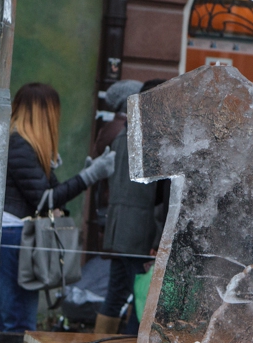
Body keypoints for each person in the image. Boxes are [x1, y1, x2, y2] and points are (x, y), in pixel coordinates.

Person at [0, 83, 116, 333]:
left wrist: (83, 174)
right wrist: (89, 176)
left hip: (16, 235)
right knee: (17, 321)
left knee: (9, 318)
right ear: (45, 113)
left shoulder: (24, 146)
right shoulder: (20, 145)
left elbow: (52, 197)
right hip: (15, 236)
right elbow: (45, 200)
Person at [95, 79, 169, 335]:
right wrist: (159, 239)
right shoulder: (153, 141)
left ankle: (100, 339)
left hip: (119, 231)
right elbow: (158, 199)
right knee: (143, 301)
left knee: (115, 295)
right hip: (140, 236)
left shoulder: (122, 136)